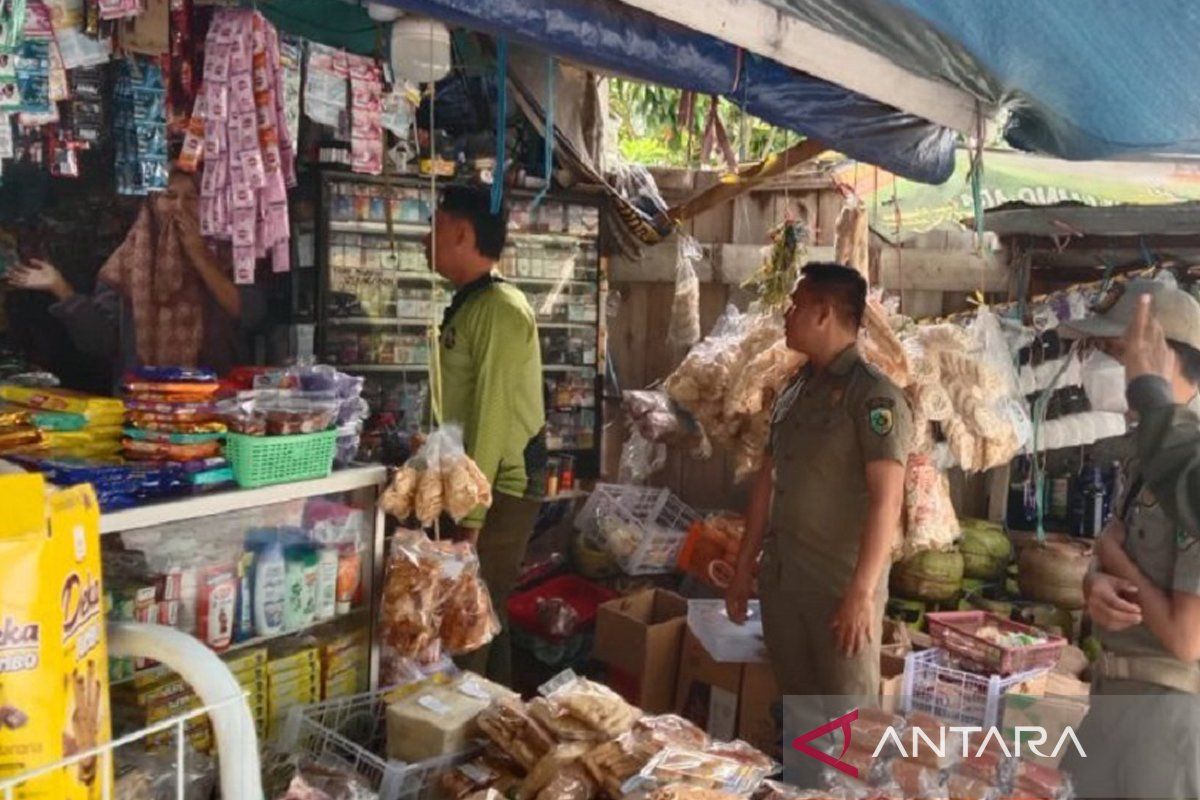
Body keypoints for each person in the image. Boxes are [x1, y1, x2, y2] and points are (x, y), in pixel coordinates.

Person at [725, 263, 911, 780]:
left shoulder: (873, 397)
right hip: (786, 584)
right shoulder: (793, 389)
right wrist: (744, 569)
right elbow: (767, 483)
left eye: (797, 305)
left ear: (825, 313)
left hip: (838, 592)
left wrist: (861, 594)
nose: (788, 314)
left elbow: (886, 501)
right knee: (801, 718)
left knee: (851, 727)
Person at [1058, 280, 1200, 798]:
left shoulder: (1190, 466)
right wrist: (1096, 580)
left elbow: (1188, 640)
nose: (1118, 369)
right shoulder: (1147, 456)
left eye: (1122, 354)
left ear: (1161, 354)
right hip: (1113, 696)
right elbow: (1115, 554)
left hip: (1166, 718)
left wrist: (1113, 556)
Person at [426, 186, 546, 685]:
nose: (424, 238)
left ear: (461, 233)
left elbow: (493, 417)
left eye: (433, 227)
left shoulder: (499, 309)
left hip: (500, 490)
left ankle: (459, 747)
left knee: (468, 621)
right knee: (484, 615)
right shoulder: (471, 304)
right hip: (475, 487)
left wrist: (472, 521)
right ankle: (497, 733)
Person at [5, 169, 266, 381]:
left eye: (191, 197)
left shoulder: (231, 258)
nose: (178, 207)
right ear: (152, 205)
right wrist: (60, 288)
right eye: (169, 196)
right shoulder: (125, 265)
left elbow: (249, 315)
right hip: (143, 409)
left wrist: (200, 256)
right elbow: (103, 344)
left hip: (215, 402)